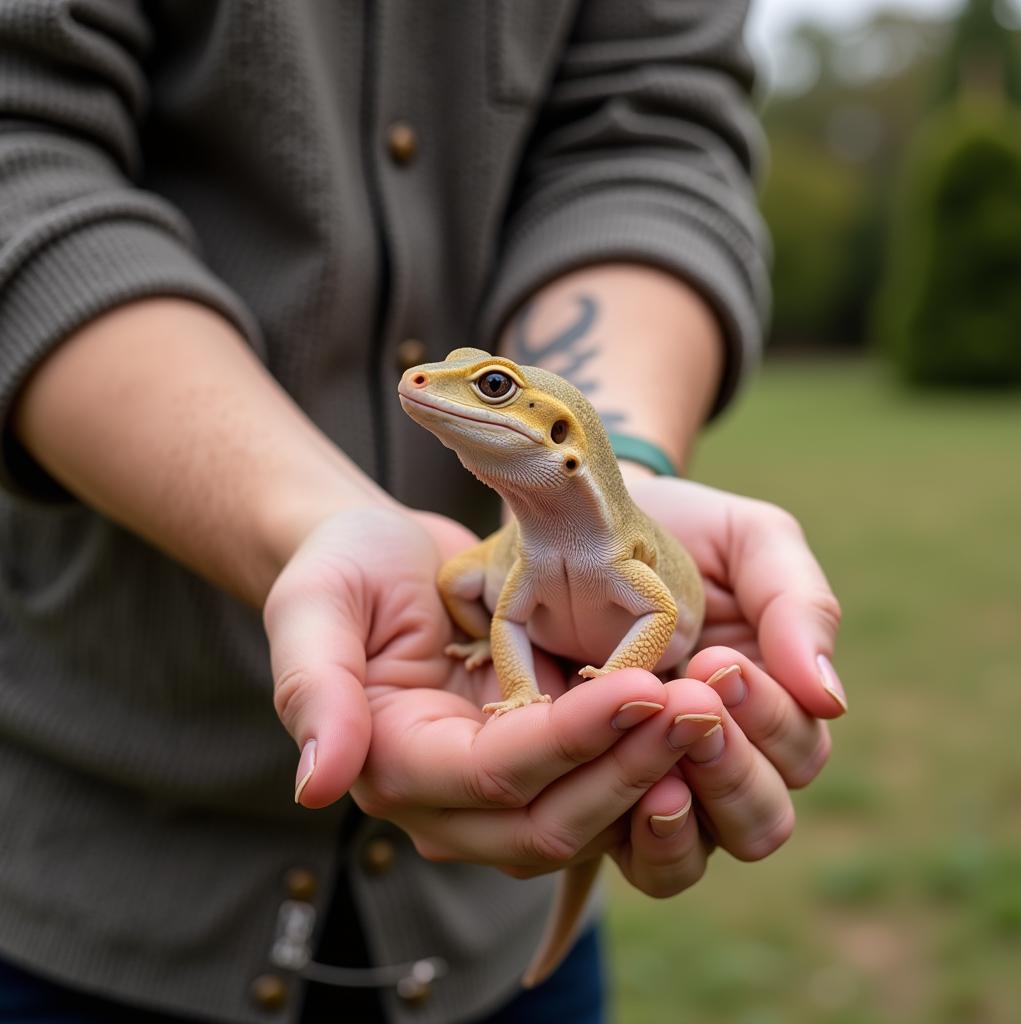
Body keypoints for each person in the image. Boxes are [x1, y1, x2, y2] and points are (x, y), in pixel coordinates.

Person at [0, 3, 845, 1023]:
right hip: (77, 886)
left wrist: (597, 691)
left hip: (485, 932)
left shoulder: (600, 537)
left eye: (486, 388)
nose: (449, 390)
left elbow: (649, 136)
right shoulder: (516, 563)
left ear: (561, 436)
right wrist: (329, 536)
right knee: (474, 587)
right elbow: (24, 141)